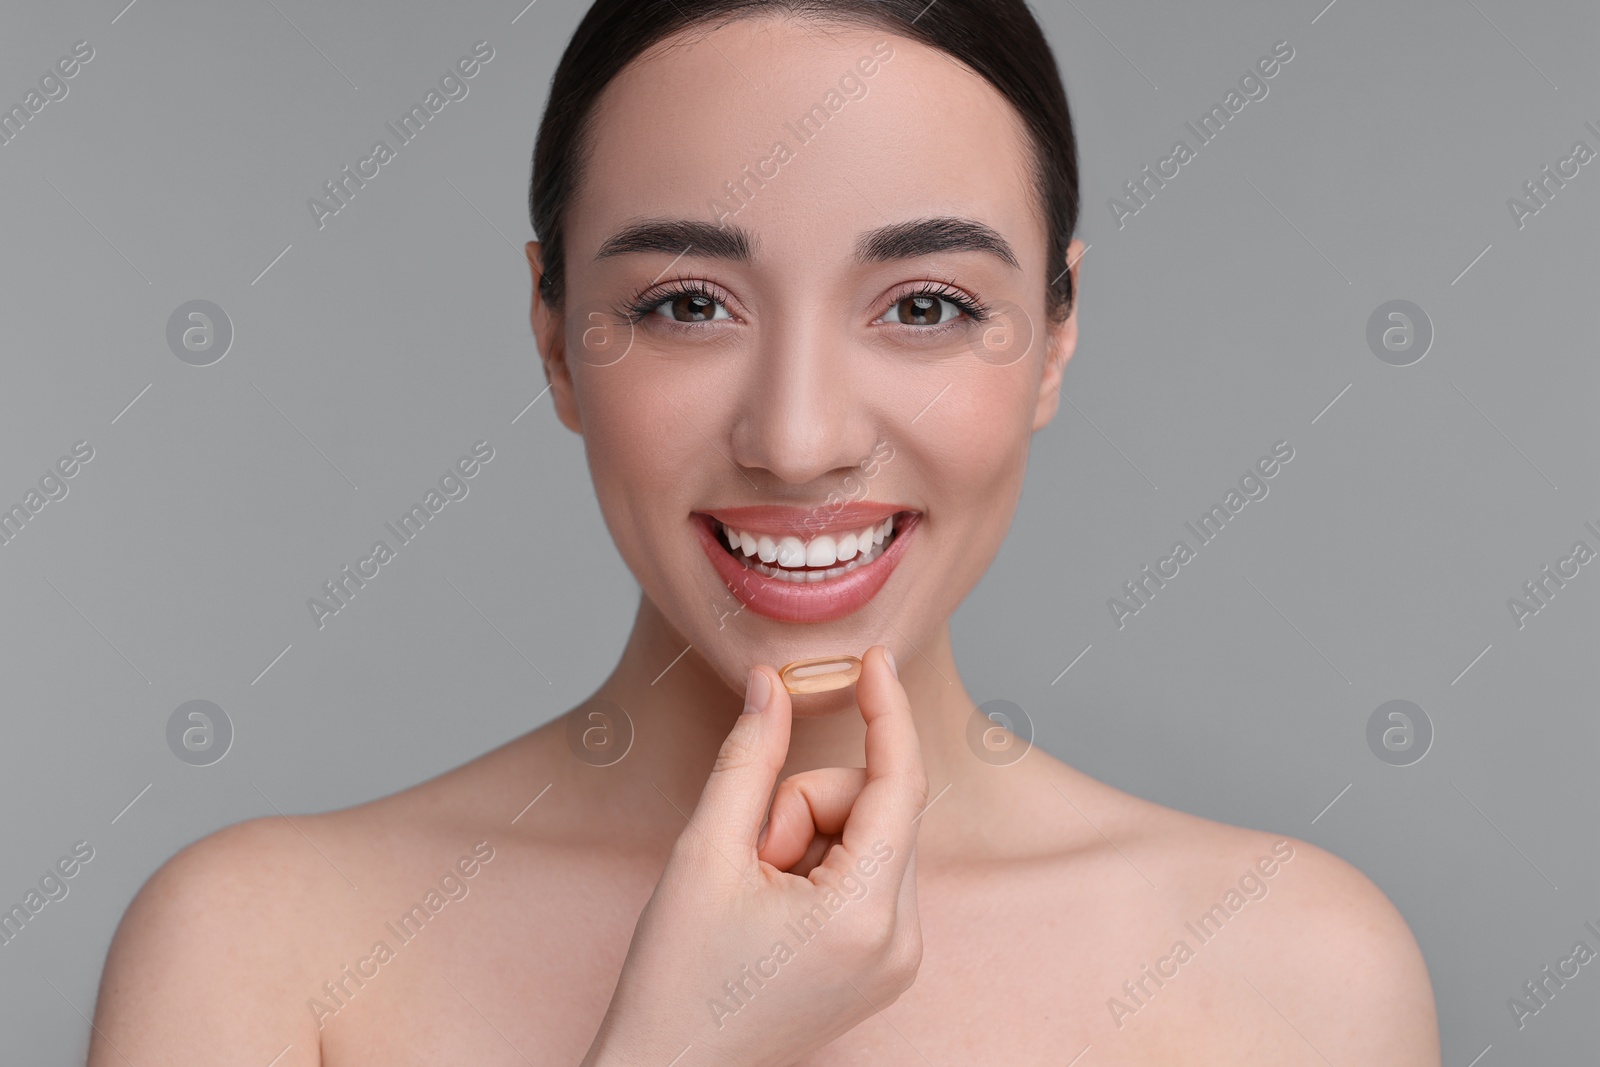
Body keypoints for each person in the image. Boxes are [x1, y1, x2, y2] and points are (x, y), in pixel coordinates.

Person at [89, 1, 1440, 1062]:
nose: (797, 440)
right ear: (555, 334)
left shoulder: (1292, 970)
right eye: (688, 304)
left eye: (924, 306)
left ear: (1054, 334)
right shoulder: (261, 954)